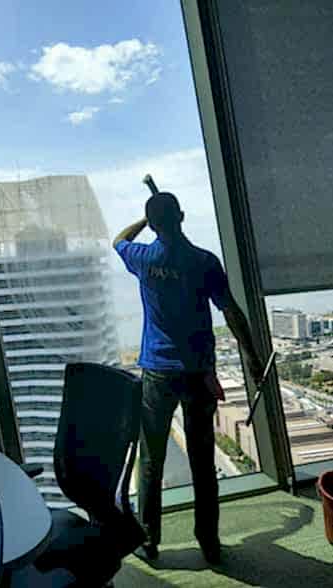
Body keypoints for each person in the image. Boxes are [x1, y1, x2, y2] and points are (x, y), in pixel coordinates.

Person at [112, 191, 263, 565]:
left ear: (154, 224)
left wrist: (145, 221)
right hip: (197, 373)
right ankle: (208, 541)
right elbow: (231, 311)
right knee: (202, 460)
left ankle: (149, 539)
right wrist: (250, 354)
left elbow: (119, 240)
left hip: (158, 373)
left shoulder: (143, 258)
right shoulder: (204, 262)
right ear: (181, 216)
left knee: (152, 459)